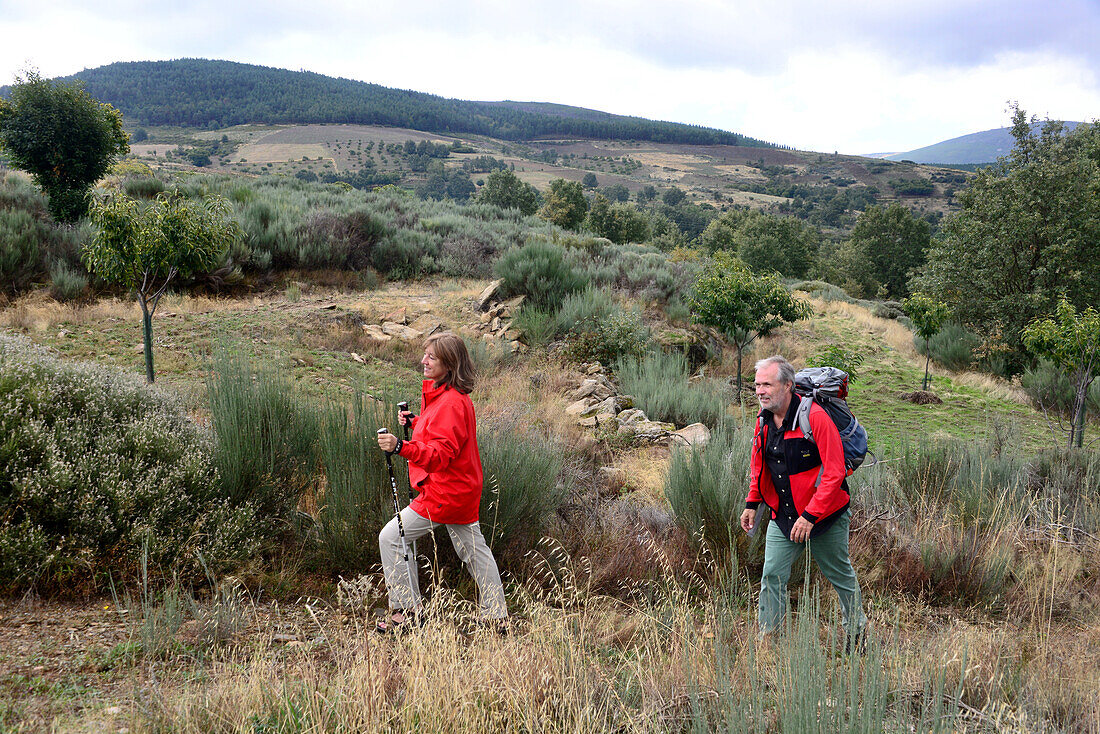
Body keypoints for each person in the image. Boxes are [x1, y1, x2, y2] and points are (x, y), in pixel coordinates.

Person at [375, 331, 508, 632]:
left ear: (449, 364)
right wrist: (415, 423)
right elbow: (439, 431)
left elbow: (439, 456)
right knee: (474, 550)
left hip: (444, 492)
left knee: (392, 537)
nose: (423, 360)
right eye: (425, 354)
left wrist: (400, 446)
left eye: (431, 357)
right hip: (461, 489)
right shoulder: (450, 398)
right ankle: (496, 616)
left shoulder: (449, 403)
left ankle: (406, 614)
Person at [739, 355, 867, 647]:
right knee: (772, 576)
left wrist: (810, 516)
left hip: (824, 517)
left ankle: (856, 633)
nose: (760, 391)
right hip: (783, 517)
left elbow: (834, 473)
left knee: (839, 575)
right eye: (757, 385)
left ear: (787, 385)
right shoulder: (763, 420)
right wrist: (751, 503)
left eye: (767, 385)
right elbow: (759, 464)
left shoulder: (815, 418)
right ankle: (770, 640)